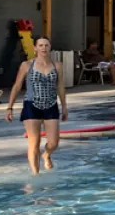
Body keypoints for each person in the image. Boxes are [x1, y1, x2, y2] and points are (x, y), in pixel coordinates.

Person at [4, 38, 69, 174]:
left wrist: (64, 107)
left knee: (53, 143)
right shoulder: (27, 65)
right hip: (31, 105)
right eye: (40, 45)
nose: (43, 48)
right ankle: (35, 174)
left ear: (50, 47)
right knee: (34, 143)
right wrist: (9, 107)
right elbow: (17, 86)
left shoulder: (57, 65)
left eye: (46, 45)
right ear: (35, 48)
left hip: (51, 104)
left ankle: (46, 155)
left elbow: (60, 86)